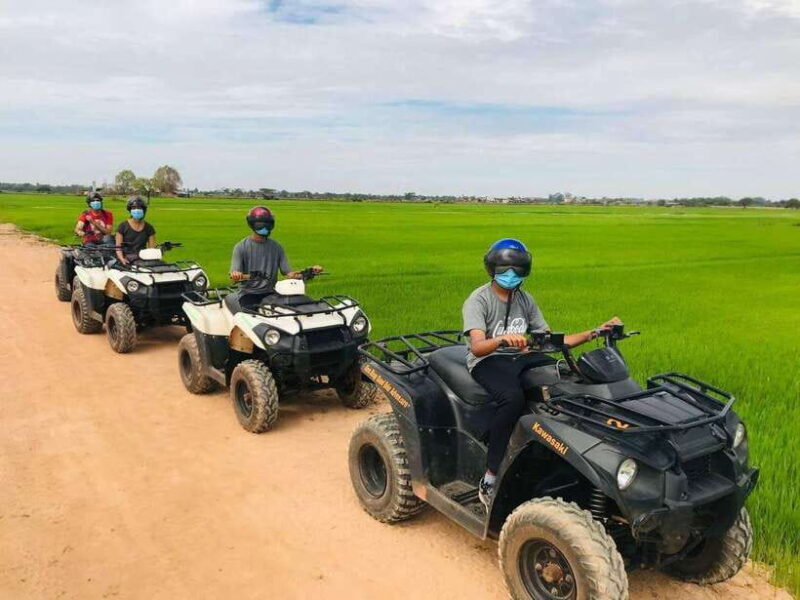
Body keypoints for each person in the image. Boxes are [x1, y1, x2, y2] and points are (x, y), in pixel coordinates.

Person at [462, 238, 621, 507]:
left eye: (517, 270)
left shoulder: (525, 299)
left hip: (521, 357)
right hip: (488, 360)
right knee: (511, 399)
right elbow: (477, 347)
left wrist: (596, 331)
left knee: (565, 383)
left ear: (525, 271)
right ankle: (490, 476)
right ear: (492, 269)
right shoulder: (478, 300)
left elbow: (552, 341)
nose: (510, 276)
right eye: (504, 270)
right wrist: (502, 340)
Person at [229, 206, 323, 308]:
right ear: (252, 224)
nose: (264, 228)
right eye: (260, 225)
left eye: (267, 225)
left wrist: (310, 271)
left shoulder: (276, 247)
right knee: (250, 318)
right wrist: (238, 275)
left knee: (288, 312)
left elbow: (289, 274)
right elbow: (234, 274)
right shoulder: (241, 247)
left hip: (270, 293)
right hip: (248, 294)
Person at [115, 196, 156, 265]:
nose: (136, 210)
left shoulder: (149, 228)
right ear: (130, 210)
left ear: (143, 210)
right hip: (126, 258)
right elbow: (118, 247)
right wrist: (122, 259)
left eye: (139, 208)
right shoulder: (123, 226)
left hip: (143, 257)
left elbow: (152, 248)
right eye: (134, 208)